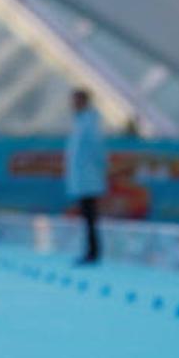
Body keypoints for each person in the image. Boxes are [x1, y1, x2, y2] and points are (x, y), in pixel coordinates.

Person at [65, 89, 107, 266]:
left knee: (90, 216)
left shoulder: (89, 123)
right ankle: (90, 251)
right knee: (87, 217)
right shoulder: (80, 122)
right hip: (83, 178)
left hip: (89, 177)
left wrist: (98, 170)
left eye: (75, 101)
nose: (71, 105)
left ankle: (93, 252)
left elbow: (96, 150)